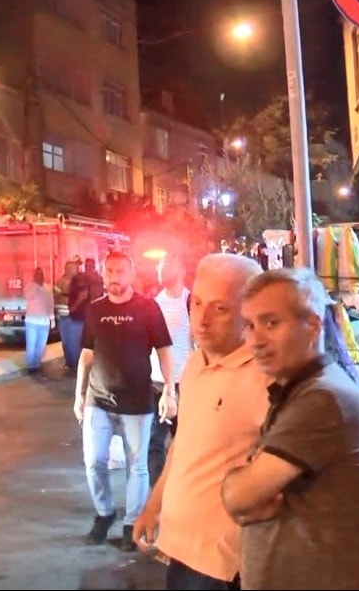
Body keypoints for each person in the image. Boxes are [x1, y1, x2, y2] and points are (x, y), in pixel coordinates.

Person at [223, 267, 359, 590]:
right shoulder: (299, 390)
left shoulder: (323, 399)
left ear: (313, 325)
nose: (255, 340)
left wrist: (237, 486)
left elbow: (239, 497)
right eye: (250, 325)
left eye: (271, 323)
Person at [133, 253, 269, 590]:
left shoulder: (268, 378)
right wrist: (154, 505)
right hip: (180, 548)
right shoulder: (195, 363)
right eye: (196, 303)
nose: (202, 320)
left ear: (249, 312)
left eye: (220, 308)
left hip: (223, 563)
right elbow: (183, 443)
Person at [74, 250, 173, 550]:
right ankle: (104, 513)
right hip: (98, 398)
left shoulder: (148, 308)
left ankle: (132, 523)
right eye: (109, 271)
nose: (114, 276)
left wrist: (169, 390)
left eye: (120, 271)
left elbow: (164, 351)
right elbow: (87, 355)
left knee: (137, 465)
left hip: (137, 401)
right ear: (103, 274)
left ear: (131, 275)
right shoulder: (95, 309)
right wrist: (79, 395)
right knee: (94, 462)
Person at [24, 267, 54, 376]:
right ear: (34, 276)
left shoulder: (48, 288)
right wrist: (36, 286)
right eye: (37, 274)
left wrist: (52, 319)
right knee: (31, 345)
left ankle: (36, 365)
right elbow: (29, 297)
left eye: (41, 274)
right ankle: (30, 366)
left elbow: (50, 304)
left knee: (41, 346)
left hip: (44, 322)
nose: (40, 276)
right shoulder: (29, 287)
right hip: (32, 321)